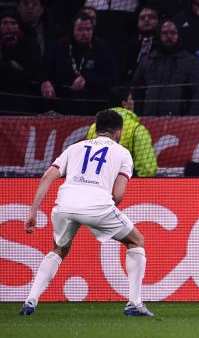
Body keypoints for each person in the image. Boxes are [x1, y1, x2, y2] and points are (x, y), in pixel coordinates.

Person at [19, 109, 154, 317]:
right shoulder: (122, 153)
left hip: (65, 204)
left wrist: (32, 213)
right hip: (98, 207)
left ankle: (30, 301)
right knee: (136, 241)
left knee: (59, 249)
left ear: (96, 128)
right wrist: (101, 217)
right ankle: (134, 304)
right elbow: (118, 194)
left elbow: (47, 176)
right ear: (118, 133)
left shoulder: (74, 148)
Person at [40, 12, 119, 115]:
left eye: (88, 29)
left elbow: (113, 79)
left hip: (94, 111)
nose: (84, 33)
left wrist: (87, 79)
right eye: (80, 29)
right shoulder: (59, 48)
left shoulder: (102, 50)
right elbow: (44, 69)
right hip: (61, 109)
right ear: (72, 31)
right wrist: (45, 82)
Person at [131, 19, 199, 116]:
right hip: (149, 119)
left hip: (180, 122)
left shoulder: (191, 61)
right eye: (164, 33)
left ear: (179, 35)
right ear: (158, 35)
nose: (169, 36)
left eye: (173, 33)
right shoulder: (147, 61)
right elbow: (136, 90)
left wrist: (191, 118)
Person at [87, 89, 158, 177]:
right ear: (124, 103)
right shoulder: (137, 129)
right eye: (131, 99)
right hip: (127, 185)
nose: (133, 102)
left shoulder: (94, 127)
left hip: (97, 183)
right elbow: (147, 168)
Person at [120, 6, 159, 83]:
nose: (146, 20)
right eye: (142, 18)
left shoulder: (161, 45)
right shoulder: (128, 47)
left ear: (158, 21)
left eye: (151, 17)